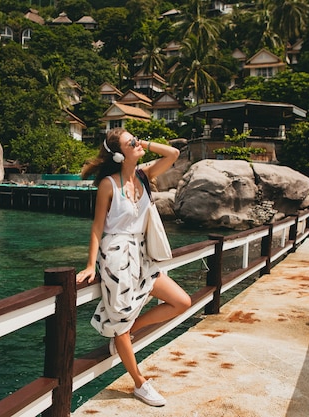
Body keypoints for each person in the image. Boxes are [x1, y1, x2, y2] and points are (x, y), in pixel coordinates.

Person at [76, 128, 191, 407]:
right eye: (132, 142)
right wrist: (91, 264)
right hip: (116, 256)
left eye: (136, 139)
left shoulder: (143, 175)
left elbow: (173, 153)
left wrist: (145, 143)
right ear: (118, 154)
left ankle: (123, 334)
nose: (138, 143)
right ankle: (140, 383)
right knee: (121, 323)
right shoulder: (108, 185)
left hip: (142, 255)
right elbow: (97, 226)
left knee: (181, 301)